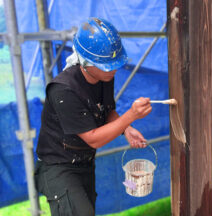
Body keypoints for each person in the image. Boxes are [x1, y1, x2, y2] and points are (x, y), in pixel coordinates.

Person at [34, 17, 152, 216]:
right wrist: (131, 116)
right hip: (57, 166)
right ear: (86, 62)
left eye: (114, 63)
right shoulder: (63, 90)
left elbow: (107, 112)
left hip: (84, 163)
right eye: (107, 65)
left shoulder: (104, 76)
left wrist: (126, 129)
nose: (113, 69)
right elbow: (93, 138)